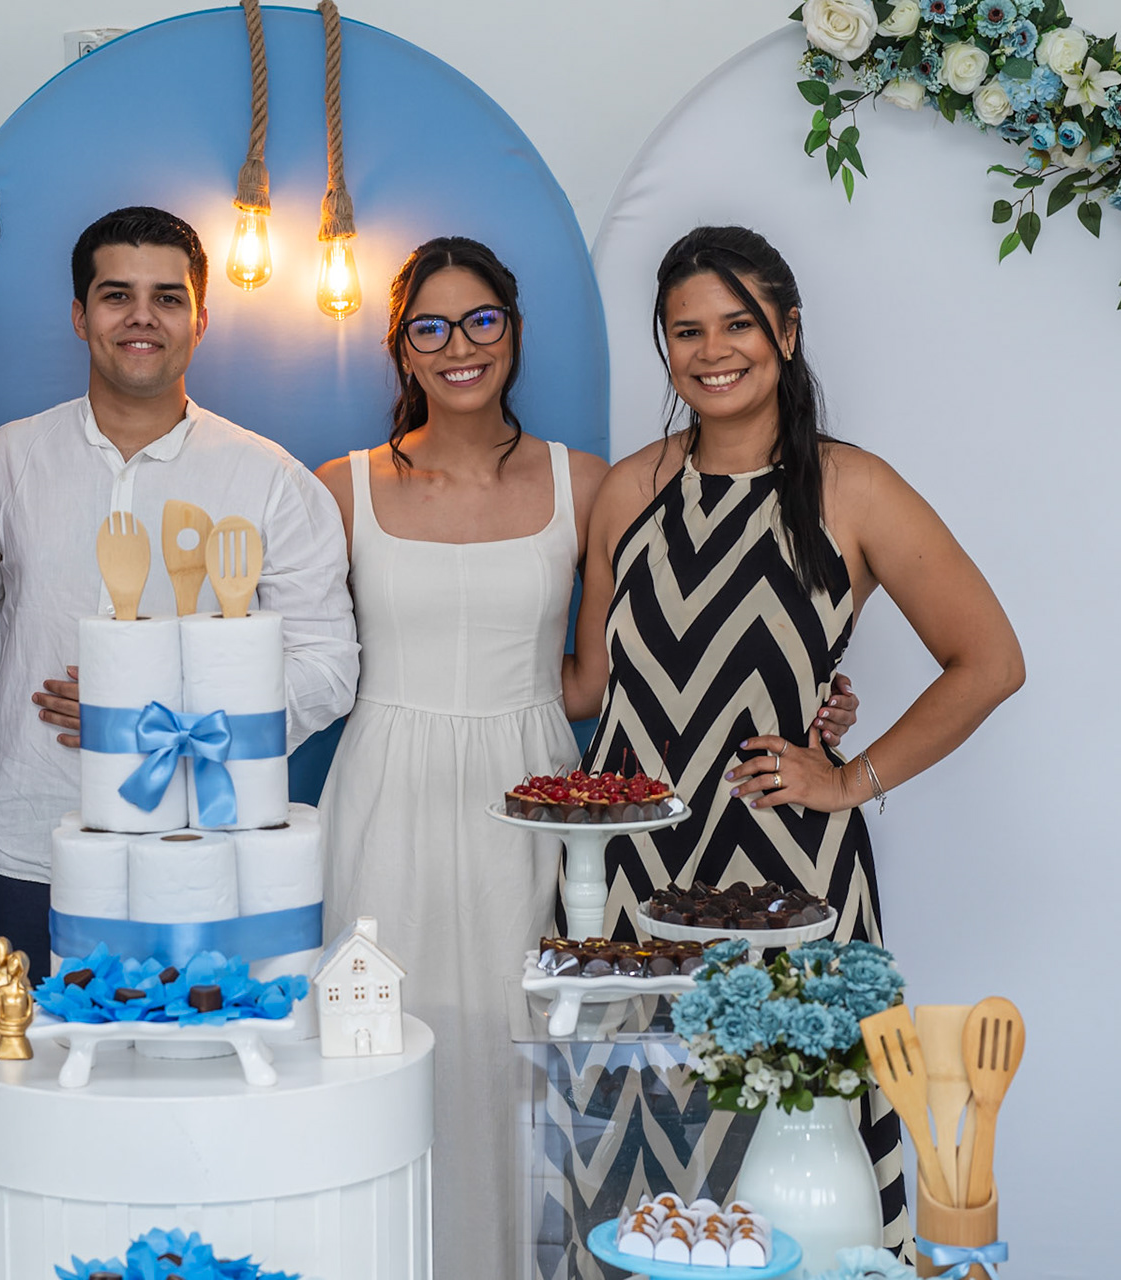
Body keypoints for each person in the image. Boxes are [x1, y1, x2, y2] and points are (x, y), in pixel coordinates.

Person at [313, 237, 858, 1279]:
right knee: (383, 1034)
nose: (460, 345)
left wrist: (813, 702)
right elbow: (306, 663)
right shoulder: (341, 487)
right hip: (384, 790)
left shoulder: (590, 483)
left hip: (538, 796)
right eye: (431, 326)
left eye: (482, 320)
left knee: (530, 1041)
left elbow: (605, 676)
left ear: (513, 333)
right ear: (402, 347)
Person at [561, 225, 1026, 1252]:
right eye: (686, 330)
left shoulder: (851, 487)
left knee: (799, 1171)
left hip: (790, 880)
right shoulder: (627, 490)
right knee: (633, 1167)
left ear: (788, 329)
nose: (712, 350)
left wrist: (850, 778)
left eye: (738, 323)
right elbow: (591, 685)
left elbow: (990, 660)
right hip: (630, 877)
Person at [0, 206, 358, 979]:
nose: (142, 317)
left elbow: (327, 671)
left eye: (168, 297)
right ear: (80, 316)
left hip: (201, 855)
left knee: (201, 1055)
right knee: (32, 1054)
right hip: (31, 845)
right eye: (117, 295)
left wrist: (159, 716)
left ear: (200, 320)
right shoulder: (9, 460)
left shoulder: (271, 482)